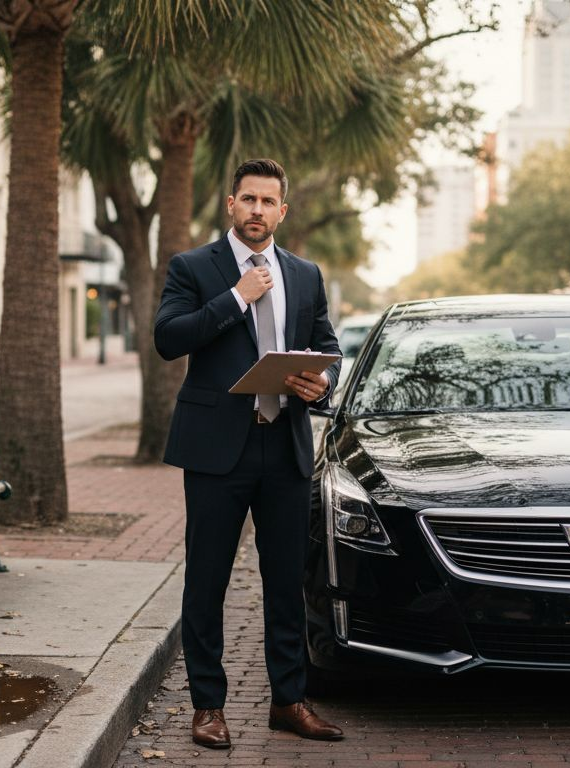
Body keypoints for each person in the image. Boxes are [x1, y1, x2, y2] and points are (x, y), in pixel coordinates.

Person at [154, 158, 344, 748]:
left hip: (284, 445)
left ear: (283, 211)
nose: (258, 210)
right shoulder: (193, 266)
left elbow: (327, 348)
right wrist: (237, 297)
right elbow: (168, 339)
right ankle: (208, 706)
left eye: (269, 201)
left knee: (286, 582)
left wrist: (321, 383)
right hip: (216, 450)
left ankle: (288, 701)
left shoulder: (306, 274)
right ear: (231, 205)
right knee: (206, 582)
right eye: (248, 200)